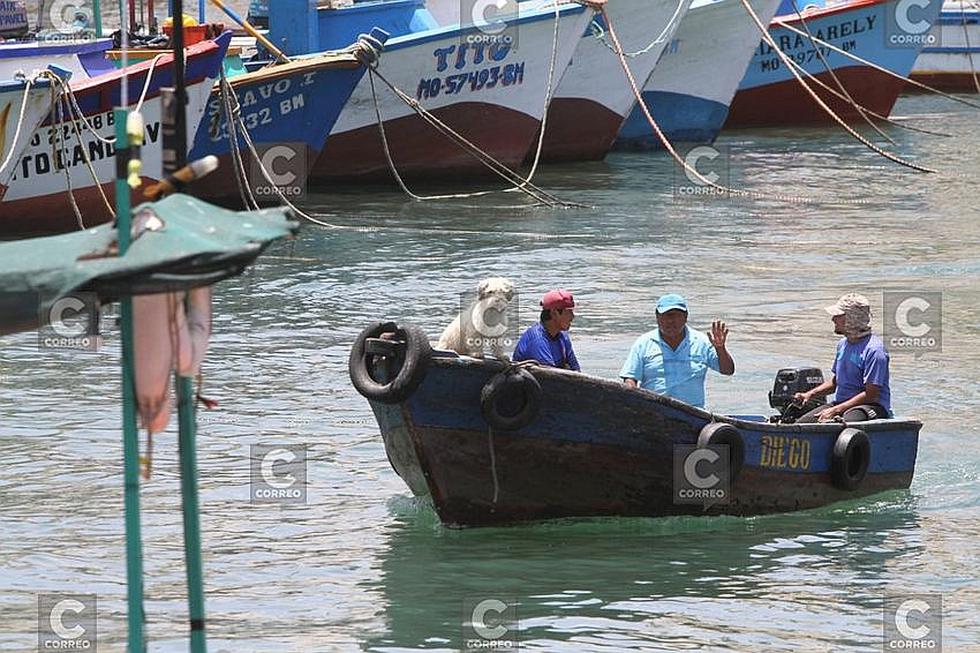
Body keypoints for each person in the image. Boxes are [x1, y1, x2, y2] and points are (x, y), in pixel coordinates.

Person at [619, 293, 734, 408]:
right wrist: (631, 399)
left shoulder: (702, 342)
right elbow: (630, 378)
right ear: (657, 317)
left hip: (693, 414)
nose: (670, 321)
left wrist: (720, 349)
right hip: (653, 411)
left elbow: (728, 370)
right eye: (666, 316)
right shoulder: (643, 343)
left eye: (676, 316)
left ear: (685, 317)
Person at [794, 293, 891, 422]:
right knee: (801, 424)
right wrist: (809, 395)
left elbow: (871, 395)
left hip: (871, 406)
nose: (833, 319)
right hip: (841, 404)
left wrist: (835, 411)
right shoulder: (842, 345)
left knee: (842, 422)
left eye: (837, 316)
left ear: (851, 319)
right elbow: (836, 382)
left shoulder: (875, 351)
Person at [512, 289, 581, 371]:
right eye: (569, 312)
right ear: (554, 313)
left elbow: (575, 369)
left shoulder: (562, 336)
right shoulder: (538, 340)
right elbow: (552, 377)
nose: (572, 317)